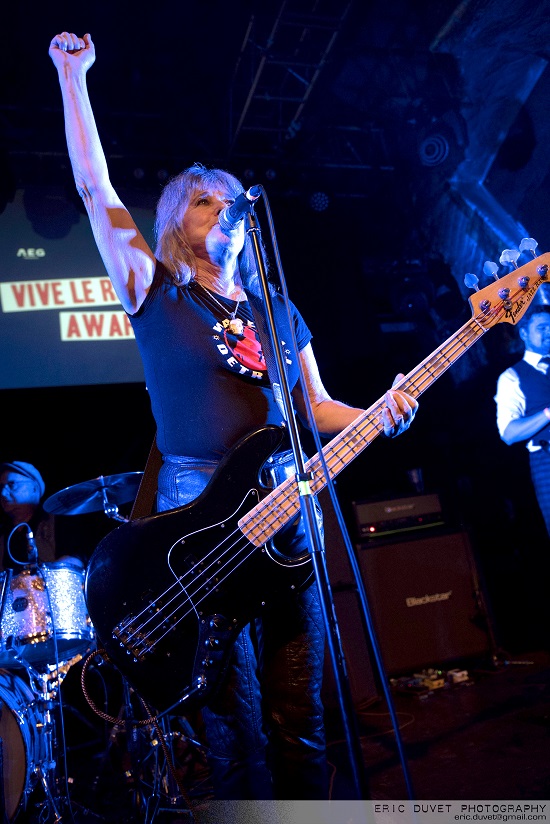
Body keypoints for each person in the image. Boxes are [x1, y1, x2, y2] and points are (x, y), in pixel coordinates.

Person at [48, 31, 419, 802]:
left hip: (288, 511)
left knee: (301, 715)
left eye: (233, 203)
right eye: (207, 201)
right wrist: (73, 76)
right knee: (231, 723)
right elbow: (93, 187)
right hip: (197, 515)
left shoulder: (281, 310)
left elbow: (315, 408)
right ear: (180, 220)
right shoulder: (157, 291)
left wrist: (380, 412)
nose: (226, 212)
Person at [494, 305, 550, 538]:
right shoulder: (511, 377)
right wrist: (547, 414)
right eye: (542, 327)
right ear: (525, 333)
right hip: (546, 462)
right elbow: (508, 433)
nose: (549, 332)